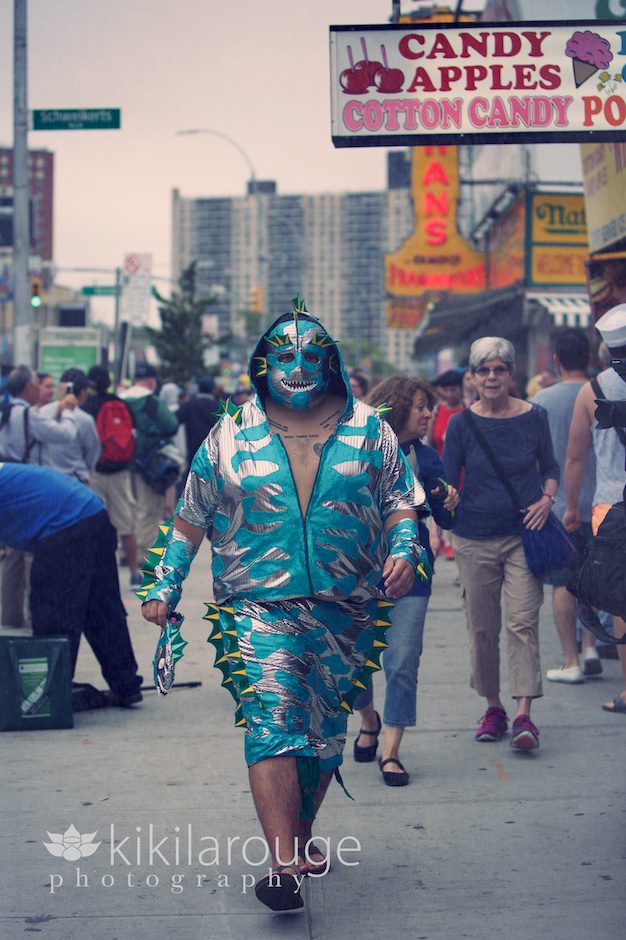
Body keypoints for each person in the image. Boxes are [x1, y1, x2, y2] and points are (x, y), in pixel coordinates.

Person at [140, 298, 426, 911]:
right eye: (284, 353)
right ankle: (283, 864)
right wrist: (165, 583)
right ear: (261, 362)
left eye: (310, 353)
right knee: (274, 723)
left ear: (330, 362)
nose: (297, 364)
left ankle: (300, 835)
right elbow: (190, 517)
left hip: (347, 604)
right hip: (256, 603)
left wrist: (406, 547)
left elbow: (403, 500)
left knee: (324, 736)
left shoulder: (370, 430)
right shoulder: (229, 433)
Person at [443, 337, 560, 750]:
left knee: (523, 622)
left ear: (512, 375)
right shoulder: (460, 424)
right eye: (484, 370)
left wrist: (547, 499)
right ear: (472, 378)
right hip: (473, 538)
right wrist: (449, 497)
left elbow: (550, 467)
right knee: (482, 627)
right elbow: (446, 478)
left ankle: (525, 714)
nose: (492, 377)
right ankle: (493, 707)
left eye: (500, 369)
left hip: (522, 536)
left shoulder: (534, 417)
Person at [352, 377, 459, 786]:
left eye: (428, 406)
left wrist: (451, 502)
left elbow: (447, 518)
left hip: (411, 574)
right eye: (420, 406)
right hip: (358, 573)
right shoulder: (358, 453)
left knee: (401, 662)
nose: (428, 413)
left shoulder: (427, 458)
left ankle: (391, 750)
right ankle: (368, 719)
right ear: (397, 408)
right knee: (355, 664)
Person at [0, 462, 143, 705]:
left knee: (53, 613)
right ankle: (125, 684)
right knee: (101, 609)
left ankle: (50, 693)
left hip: (64, 526)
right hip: (92, 513)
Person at [563, 304, 626, 714]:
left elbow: (575, 459)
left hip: (610, 508)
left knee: (621, 600)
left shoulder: (593, 390)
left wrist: (571, 508)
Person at [531, 328, 600, 683]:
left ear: (556, 361)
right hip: (601, 505)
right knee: (595, 579)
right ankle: (590, 646)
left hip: (557, 508)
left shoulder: (542, 400)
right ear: (588, 359)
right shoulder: (601, 394)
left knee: (563, 583)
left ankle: (571, 660)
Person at [0, 366, 77, 629]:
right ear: (28, 388)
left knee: (12, 554)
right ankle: (37, 615)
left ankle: (10, 617)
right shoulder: (28, 415)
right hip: (28, 487)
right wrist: (67, 411)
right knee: (34, 554)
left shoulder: (5, 411)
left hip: (5, 483)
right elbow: (65, 434)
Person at [82, 365, 141, 588]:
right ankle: (135, 573)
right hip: (121, 472)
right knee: (126, 523)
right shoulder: (122, 404)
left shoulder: (87, 407)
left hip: (95, 472)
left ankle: (92, 571)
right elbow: (133, 435)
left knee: (90, 523)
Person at [120, 363, 179, 564]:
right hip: (147, 463)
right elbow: (171, 425)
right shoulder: (151, 402)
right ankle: (145, 557)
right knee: (149, 510)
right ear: (152, 381)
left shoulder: (120, 399)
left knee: (128, 508)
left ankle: (125, 551)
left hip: (121, 462)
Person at [39, 368, 101, 485]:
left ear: (61, 387)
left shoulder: (42, 413)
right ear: (83, 392)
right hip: (75, 481)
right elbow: (92, 454)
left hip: (46, 480)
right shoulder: (85, 419)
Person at [428, 368, 464, 560]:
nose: (450, 394)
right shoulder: (437, 411)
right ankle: (436, 546)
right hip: (440, 470)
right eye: (446, 390)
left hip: (464, 474)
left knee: (457, 511)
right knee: (439, 509)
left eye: (454, 389)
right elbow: (431, 441)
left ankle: (457, 553)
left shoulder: (469, 411)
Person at [176, 376, 219, 472]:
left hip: (194, 451)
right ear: (213, 389)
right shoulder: (219, 406)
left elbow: (175, 420)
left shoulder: (189, 404)